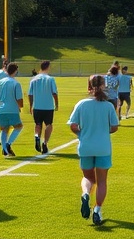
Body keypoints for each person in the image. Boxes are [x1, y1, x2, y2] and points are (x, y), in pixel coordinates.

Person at [68, 75, 120, 226]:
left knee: (89, 178)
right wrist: (104, 131)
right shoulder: (108, 106)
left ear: (89, 87)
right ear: (104, 86)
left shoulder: (82, 104)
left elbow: (73, 125)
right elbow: (114, 127)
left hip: (86, 146)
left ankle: (85, 194)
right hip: (103, 147)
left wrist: (82, 134)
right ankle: (97, 210)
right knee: (102, 181)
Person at [28, 60, 59, 154]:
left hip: (37, 106)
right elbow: (54, 93)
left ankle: (37, 136)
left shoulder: (33, 79)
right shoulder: (50, 79)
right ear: (48, 67)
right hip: (48, 106)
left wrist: (31, 105)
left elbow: (30, 94)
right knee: (49, 124)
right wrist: (57, 103)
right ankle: (45, 143)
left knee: (38, 124)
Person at [0, 62, 25, 157]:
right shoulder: (15, 83)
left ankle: (4, 149)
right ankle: (8, 144)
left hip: (0, 108)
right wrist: (20, 107)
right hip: (11, 108)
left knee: (4, 129)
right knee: (18, 126)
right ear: (15, 71)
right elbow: (19, 99)